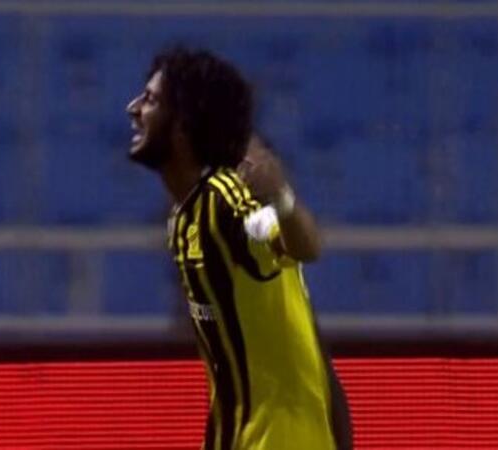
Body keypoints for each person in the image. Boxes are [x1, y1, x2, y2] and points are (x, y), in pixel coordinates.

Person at [126, 47, 352, 450]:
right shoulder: (184, 220)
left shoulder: (226, 203)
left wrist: (281, 199)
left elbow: (300, 246)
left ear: (182, 125)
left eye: (151, 100)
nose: (134, 108)